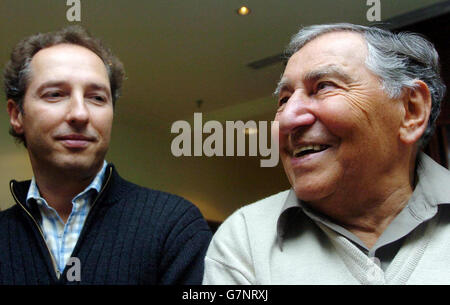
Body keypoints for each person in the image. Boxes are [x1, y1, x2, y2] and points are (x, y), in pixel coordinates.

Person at [203, 23, 450, 285]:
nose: (287, 119)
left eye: (323, 86)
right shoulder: (245, 239)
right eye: (284, 100)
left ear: (410, 110)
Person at [1, 25, 212, 285]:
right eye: (55, 94)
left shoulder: (175, 226)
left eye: (97, 98)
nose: (80, 113)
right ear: (16, 115)